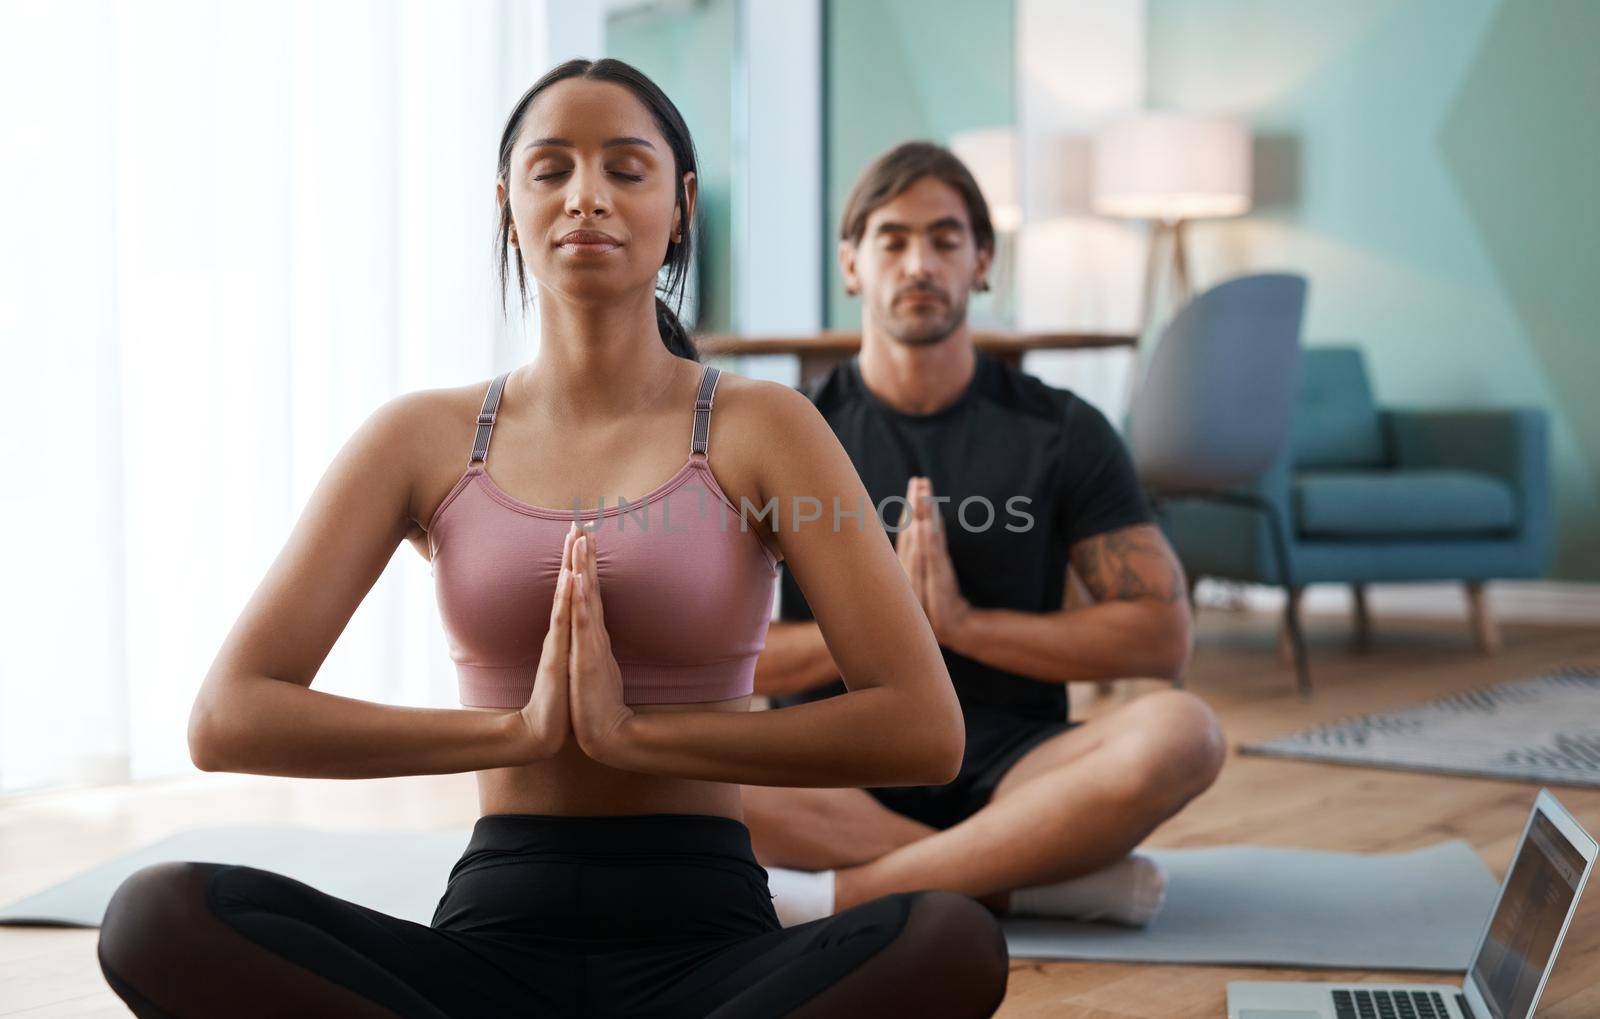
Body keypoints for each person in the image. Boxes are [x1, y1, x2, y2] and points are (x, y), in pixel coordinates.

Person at [94, 62, 1009, 1019]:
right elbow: (229, 715)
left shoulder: (761, 426)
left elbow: (923, 728)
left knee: (949, 939)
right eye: (551, 169)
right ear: (507, 205)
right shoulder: (423, 437)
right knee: (160, 913)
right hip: (493, 937)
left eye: (626, 168)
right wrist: (514, 731)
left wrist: (638, 735)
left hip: (707, 943)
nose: (587, 197)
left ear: (681, 204)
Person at [741, 141, 1227, 930]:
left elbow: (1161, 638)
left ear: (983, 261)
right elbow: (706, 653)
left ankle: (857, 893)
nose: (919, 263)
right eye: (892, 240)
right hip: (828, 763)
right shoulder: (784, 432)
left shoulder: (1062, 428)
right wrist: (884, 634)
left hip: (1015, 763)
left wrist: (964, 626)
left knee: (1186, 734)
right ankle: (1022, 874)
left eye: (944, 238)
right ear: (852, 264)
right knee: (660, 763)